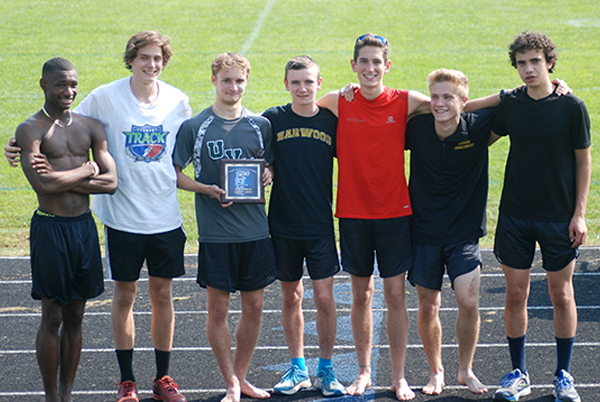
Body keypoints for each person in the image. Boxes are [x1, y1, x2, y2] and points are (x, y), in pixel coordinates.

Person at [6, 31, 192, 402]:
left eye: (157, 58)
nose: (151, 64)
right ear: (132, 59)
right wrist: (20, 145)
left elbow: (181, 149)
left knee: (153, 297)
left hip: (158, 215)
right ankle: (118, 384)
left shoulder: (178, 101)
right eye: (144, 57)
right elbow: (59, 129)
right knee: (102, 302)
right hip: (111, 220)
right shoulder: (104, 98)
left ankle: (160, 379)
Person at [317, 33, 431, 401]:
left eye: (376, 62)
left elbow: (454, 102)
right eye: (363, 62)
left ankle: (398, 377)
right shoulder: (338, 100)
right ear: (353, 65)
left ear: (387, 65)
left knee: (396, 295)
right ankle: (365, 371)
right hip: (352, 212)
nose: (369, 68)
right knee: (361, 295)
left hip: (396, 212)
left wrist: (554, 84)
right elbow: (299, 107)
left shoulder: (405, 100)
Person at [490, 31, 591, 402]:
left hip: (558, 216)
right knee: (516, 294)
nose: (528, 69)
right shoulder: (511, 104)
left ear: (550, 61)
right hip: (515, 214)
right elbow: (466, 111)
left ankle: (564, 375)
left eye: (535, 61)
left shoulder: (571, 106)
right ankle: (519, 374)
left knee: (561, 294)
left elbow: (584, 161)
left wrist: (579, 215)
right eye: (521, 63)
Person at [173, 52, 277, 402]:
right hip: (217, 235)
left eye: (239, 81)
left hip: (255, 232)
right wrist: (206, 190)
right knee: (218, 311)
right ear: (214, 81)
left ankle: (242, 376)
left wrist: (269, 173)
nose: (233, 87)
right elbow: (175, 173)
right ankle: (229, 381)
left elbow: (270, 165)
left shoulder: (260, 125)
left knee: (255, 308)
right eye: (226, 80)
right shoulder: (196, 127)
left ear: (246, 82)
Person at [15, 57, 117, 402]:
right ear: (44, 85)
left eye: (73, 84)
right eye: (61, 85)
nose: (69, 91)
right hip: (51, 230)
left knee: (76, 315)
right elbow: (42, 186)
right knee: (52, 316)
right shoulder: (30, 129)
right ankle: (50, 397)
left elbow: (112, 182)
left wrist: (65, 179)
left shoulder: (91, 126)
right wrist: (87, 169)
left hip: (83, 229)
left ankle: (67, 393)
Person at [406, 69, 495, 396]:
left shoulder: (481, 127)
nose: (440, 103)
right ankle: (436, 371)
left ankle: (465, 370)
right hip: (424, 232)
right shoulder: (416, 128)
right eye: (435, 97)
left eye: (448, 97)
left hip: (464, 234)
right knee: (428, 305)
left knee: (468, 301)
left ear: (464, 102)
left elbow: (516, 102)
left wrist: (556, 84)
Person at [263, 56, 345, 397]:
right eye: (295, 82)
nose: (302, 88)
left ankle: (325, 369)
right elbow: (260, 159)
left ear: (319, 83)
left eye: (308, 82)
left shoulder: (331, 120)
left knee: (325, 298)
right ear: (286, 84)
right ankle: (298, 368)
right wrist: (264, 170)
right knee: (291, 296)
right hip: (282, 223)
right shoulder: (272, 119)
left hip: (320, 224)